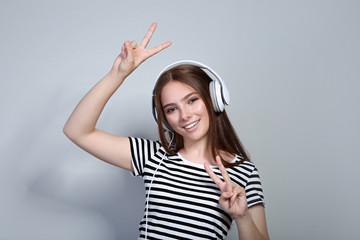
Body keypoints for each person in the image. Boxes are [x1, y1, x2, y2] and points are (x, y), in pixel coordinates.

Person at [63, 23, 270, 240]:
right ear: (164, 118)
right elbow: (76, 130)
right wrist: (118, 74)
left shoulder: (244, 172)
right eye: (172, 109)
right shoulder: (153, 156)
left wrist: (243, 217)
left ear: (214, 99)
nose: (185, 115)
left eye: (192, 100)